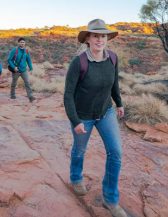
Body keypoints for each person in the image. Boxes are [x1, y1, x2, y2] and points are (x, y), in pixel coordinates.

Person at [64, 19, 126, 217]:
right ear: (88, 38)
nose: (100, 39)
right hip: (83, 115)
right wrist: (75, 121)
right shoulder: (79, 62)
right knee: (80, 149)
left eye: (103, 36)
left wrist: (119, 103)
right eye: (96, 36)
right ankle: (75, 178)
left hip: (106, 112)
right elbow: (68, 94)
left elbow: (114, 84)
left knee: (116, 152)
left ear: (107, 38)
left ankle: (110, 199)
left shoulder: (113, 58)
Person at [7, 37, 36, 102]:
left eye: (23, 42)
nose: (22, 43)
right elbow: (9, 60)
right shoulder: (15, 50)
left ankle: (30, 96)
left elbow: (28, 60)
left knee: (27, 83)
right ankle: (13, 95)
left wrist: (31, 69)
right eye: (21, 42)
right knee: (14, 83)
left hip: (24, 70)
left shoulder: (26, 50)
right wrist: (14, 67)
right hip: (16, 70)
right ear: (18, 43)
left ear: (24, 43)